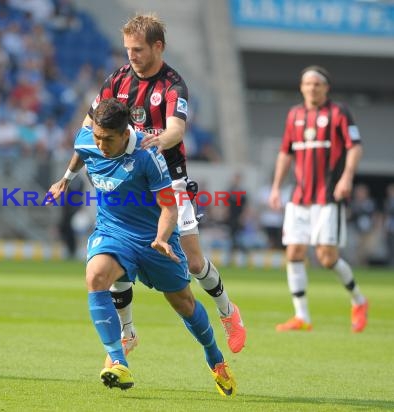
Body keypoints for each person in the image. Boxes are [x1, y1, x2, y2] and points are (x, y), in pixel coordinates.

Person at [48, 13, 246, 361]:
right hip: (129, 181)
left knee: (195, 262)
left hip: (170, 180)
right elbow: (90, 123)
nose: (131, 56)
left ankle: (228, 312)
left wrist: (148, 141)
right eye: (127, 49)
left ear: (158, 46)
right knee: (115, 255)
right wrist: (75, 165)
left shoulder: (173, 85)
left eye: (138, 49)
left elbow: (176, 131)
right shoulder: (117, 79)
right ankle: (126, 333)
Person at [75, 98, 236, 394]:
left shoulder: (148, 156)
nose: (100, 145)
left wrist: (162, 238)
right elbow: (80, 151)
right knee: (96, 277)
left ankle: (215, 357)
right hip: (114, 231)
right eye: (97, 137)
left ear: (125, 134)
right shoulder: (88, 140)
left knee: (184, 305)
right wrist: (65, 178)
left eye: (107, 139)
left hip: (154, 237)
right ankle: (117, 360)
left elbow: (169, 209)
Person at [269, 65, 368, 333]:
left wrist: (347, 177)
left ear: (326, 88)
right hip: (300, 196)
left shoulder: (339, 113)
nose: (312, 87)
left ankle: (359, 300)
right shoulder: (295, 115)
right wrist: (276, 187)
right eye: (307, 83)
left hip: (328, 195)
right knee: (294, 252)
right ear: (301, 87)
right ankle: (302, 316)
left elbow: (355, 147)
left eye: (317, 84)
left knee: (326, 257)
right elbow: (285, 153)